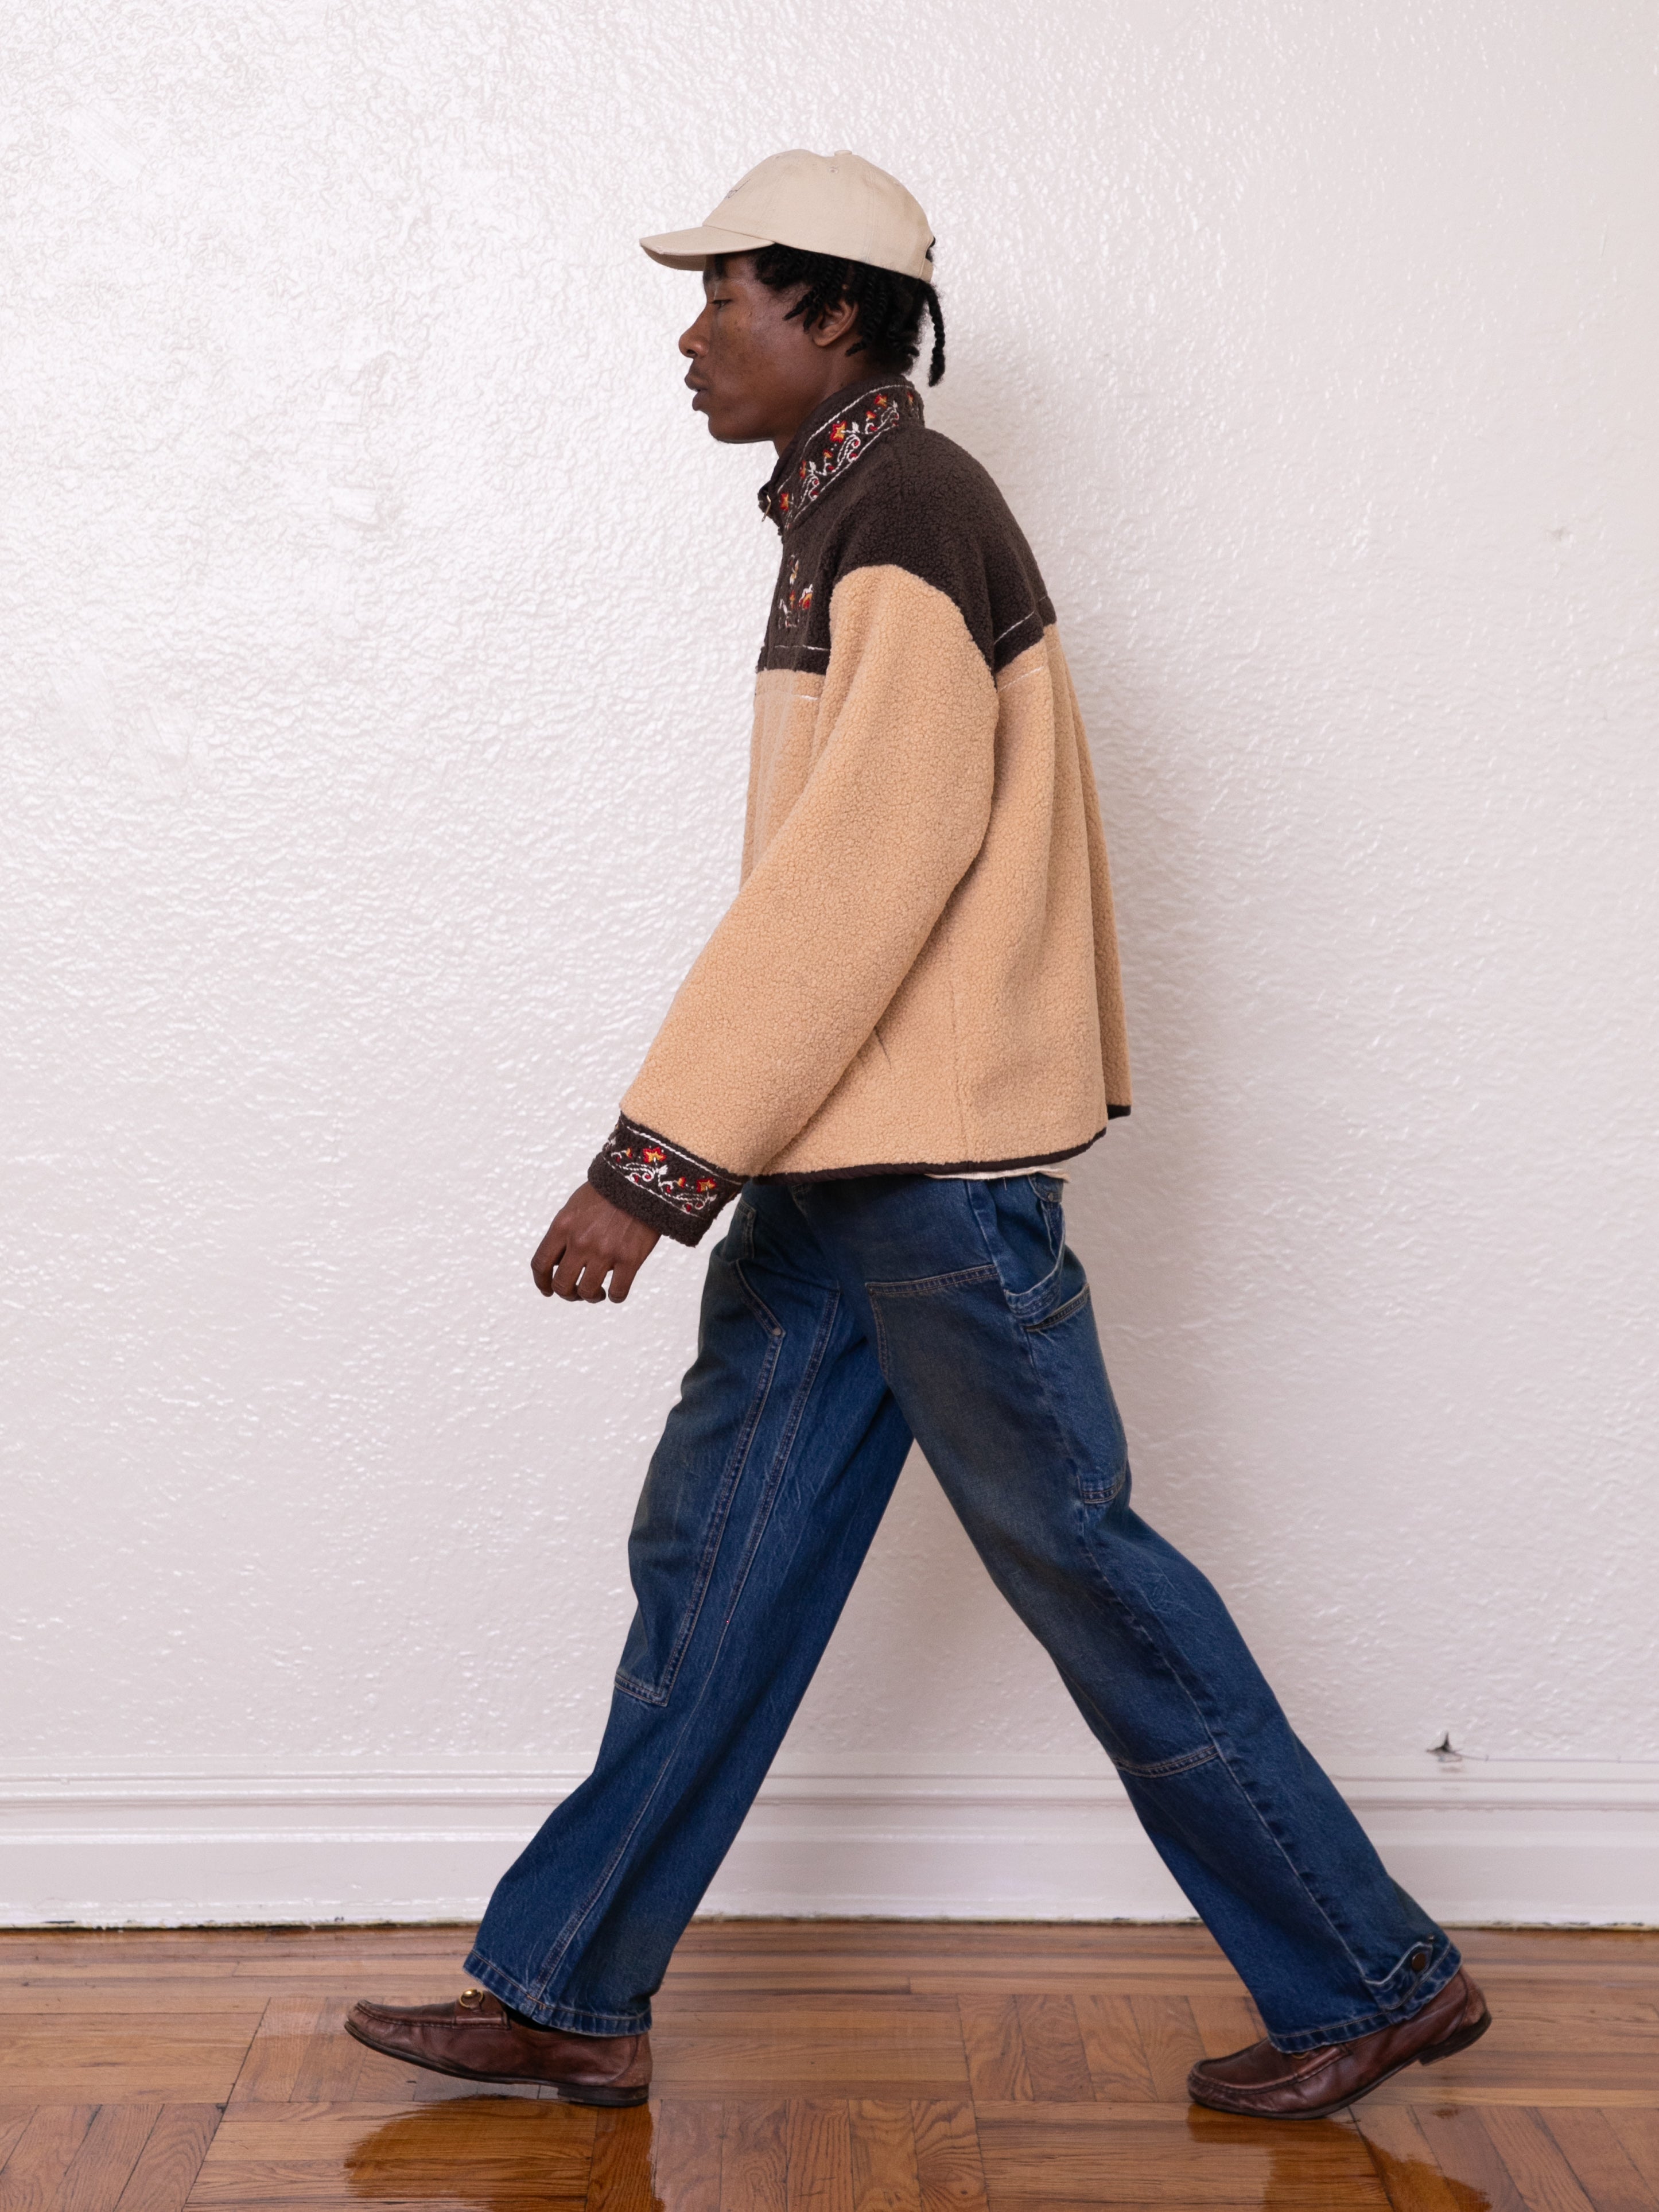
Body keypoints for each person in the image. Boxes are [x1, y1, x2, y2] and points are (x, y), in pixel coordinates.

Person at [347, 150, 1489, 2122]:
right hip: (848, 1170)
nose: (690, 337)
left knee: (1084, 1572)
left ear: (833, 312)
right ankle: (568, 1992)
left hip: (930, 1188)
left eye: (724, 298)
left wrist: (651, 1167)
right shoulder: (849, 509)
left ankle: (1369, 1976)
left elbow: (861, 874)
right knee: (717, 1563)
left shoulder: (905, 510)